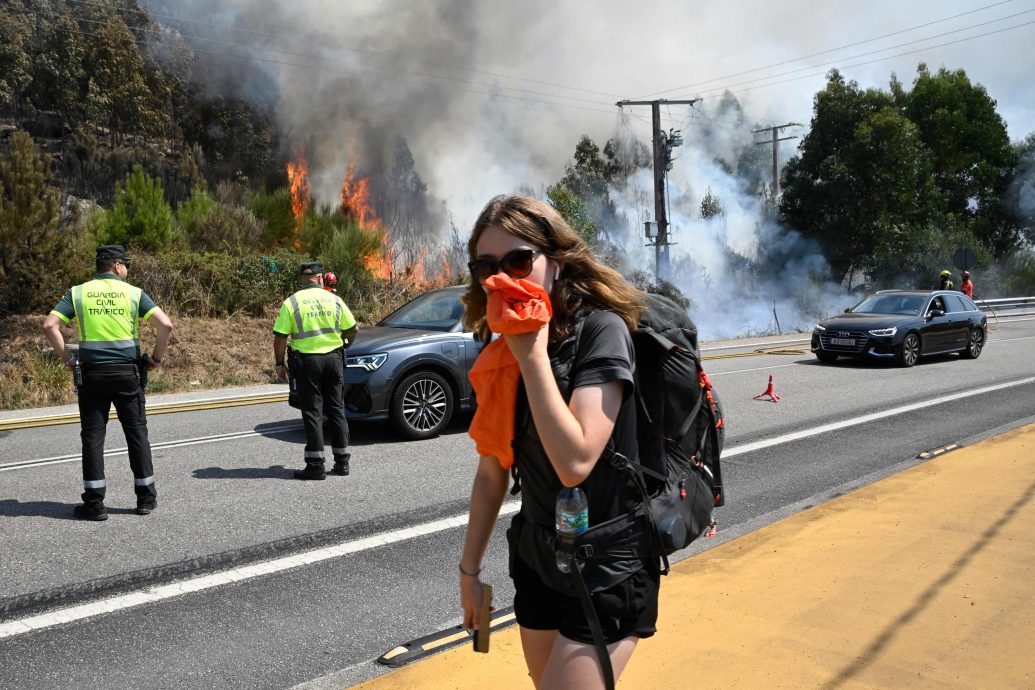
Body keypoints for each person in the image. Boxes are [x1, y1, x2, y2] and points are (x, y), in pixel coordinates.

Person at [458, 195, 656, 689]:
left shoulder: (601, 331)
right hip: (539, 558)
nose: (501, 278)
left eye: (518, 261)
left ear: (557, 263)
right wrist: (469, 573)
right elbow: (491, 472)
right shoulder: (504, 349)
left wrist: (533, 356)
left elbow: (576, 462)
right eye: (486, 267)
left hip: (608, 563)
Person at [42, 244, 174, 521]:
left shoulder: (77, 293)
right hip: (128, 375)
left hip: (92, 376)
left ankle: (94, 504)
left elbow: (49, 325)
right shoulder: (134, 293)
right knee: (136, 434)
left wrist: (68, 359)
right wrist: (156, 359)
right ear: (116, 265)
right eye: (126, 264)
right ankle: (145, 499)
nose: (127, 269)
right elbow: (166, 326)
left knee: (92, 437)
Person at [273, 262, 357, 480]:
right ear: (320, 278)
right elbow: (352, 329)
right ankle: (342, 463)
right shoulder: (335, 300)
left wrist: (279, 364)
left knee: (313, 412)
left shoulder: (292, 302)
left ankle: (316, 466)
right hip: (334, 359)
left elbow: (280, 336)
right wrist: (344, 345)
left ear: (301, 279)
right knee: (337, 409)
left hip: (307, 362)